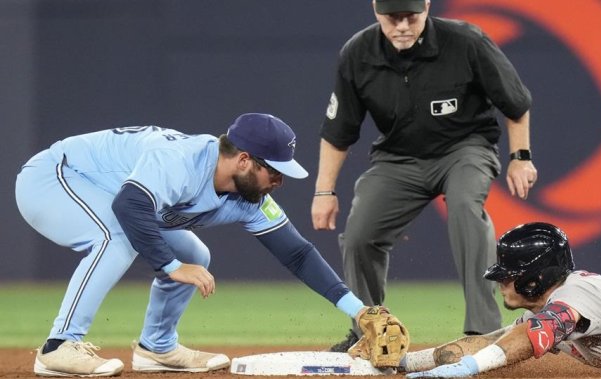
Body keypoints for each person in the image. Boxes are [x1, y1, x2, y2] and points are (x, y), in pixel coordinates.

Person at [16, 113, 381, 377]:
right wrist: (171, 268)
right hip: (56, 178)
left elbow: (297, 254)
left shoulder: (246, 197)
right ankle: (58, 346)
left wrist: (358, 310)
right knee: (117, 237)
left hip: (114, 194)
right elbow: (129, 205)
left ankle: (156, 348)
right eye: (274, 171)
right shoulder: (182, 161)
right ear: (243, 160)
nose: (278, 181)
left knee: (194, 254)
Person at [311, 0, 537, 351]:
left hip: (465, 148)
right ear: (375, 10)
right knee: (359, 235)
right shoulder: (358, 53)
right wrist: (324, 192)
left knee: (464, 207)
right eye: (392, 17)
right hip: (398, 158)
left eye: (410, 16)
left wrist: (520, 157)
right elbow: (338, 132)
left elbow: (516, 103)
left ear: (427, 7)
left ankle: (484, 332)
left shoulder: (466, 41)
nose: (402, 25)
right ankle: (368, 334)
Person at [403, 222, 601, 377]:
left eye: (508, 274)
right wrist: (400, 365)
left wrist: (464, 371)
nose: (501, 282)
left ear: (535, 277)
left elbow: (528, 340)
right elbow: (487, 343)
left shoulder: (574, 297)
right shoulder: (553, 309)